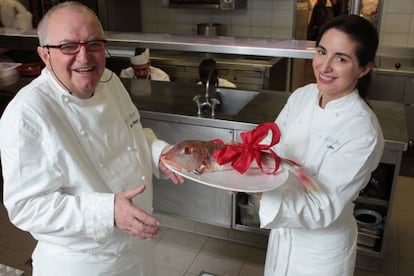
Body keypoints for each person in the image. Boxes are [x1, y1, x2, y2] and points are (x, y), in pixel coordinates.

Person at [0, 2, 183, 276]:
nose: (84, 57)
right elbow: (27, 207)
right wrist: (106, 211)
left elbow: (130, 135)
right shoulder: (27, 113)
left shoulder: (109, 80)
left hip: (136, 250)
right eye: (68, 46)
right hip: (84, 264)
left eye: (94, 43)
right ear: (44, 54)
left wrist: (160, 153)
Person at [258, 15, 384, 275]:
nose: (324, 67)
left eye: (341, 58)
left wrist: (257, 191)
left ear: (363, 69)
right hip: (283, 237)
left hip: (321, 251)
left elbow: (321, 208)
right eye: (322, 52)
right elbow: (275, 151)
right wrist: (241, 169)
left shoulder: (362, 131)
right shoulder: (303, 95)